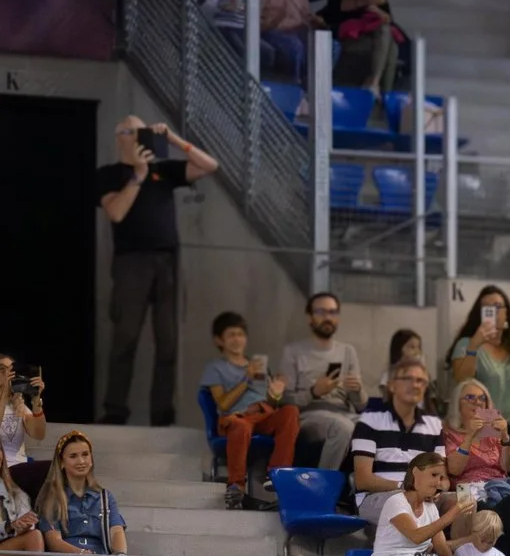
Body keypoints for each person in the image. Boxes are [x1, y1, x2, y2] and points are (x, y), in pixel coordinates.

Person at [96, 115, 219, 427]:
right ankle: (115, 410)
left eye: (143, 132)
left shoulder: (163, 170)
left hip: (167, 260)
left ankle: (162, 413)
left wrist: (174, 139)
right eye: (133, 132)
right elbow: (116, 212)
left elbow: (209, 166)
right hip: (131, 261)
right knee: (125, 336)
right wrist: (138, 175)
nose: (139, 137)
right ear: (120, 136)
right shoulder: (109, 175)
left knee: (168, 340)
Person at [38, 433, 158, 556]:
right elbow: (54, 542)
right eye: (73, 456)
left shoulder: (104, 496)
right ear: (61, 462)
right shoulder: (52, 497)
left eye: (85, 454)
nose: (81, 460)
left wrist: (119, 554)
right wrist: (86, 554)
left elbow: (116, 530)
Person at [199, 311, 297, 511]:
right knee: (241, 425)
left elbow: (271, 402)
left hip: (263, 415)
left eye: (240, 334)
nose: (237, 339)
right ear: (220, 340)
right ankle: (236, 486)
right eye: (231, 335)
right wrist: (246, 379)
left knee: (290, 412)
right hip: (236, 417)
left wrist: (276, 392)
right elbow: (223, 404)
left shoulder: (258, 365)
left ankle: (277, 474)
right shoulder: (215, 368)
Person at [350, 358, 445, 526]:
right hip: (376, 497)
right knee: (408, 501)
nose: (415, 385)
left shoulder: (435, 425)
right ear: (392, 385)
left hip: (422, 495)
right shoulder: (370, 421)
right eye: (408, 379)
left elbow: (441, 476)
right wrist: (406, 486)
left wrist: (436, 488)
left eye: (421, 381)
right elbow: (362, 480)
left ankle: (452, 551)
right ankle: (432, 550)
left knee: (464, 504)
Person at [280, 292, 363, 474]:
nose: (328, 317)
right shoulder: (293, 352)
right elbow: (285, 400)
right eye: (321, 312)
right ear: (310, 317)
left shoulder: (348, 351)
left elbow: (359, 404)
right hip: (310, 414)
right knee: (342, 428)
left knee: (376, 425)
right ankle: (321, 487)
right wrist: (314, 392)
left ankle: (366, 491)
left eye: (333, 312)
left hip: (345, 412)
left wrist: (357, 391)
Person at [446, 286, 510, 421]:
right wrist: (474, 345)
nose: (494, 312)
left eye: (498, 306)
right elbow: (462, 382)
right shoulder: (466, 344)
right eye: (487, 308)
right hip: (484, 425)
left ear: (507, 313)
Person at [444, 379, 510, 509]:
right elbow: (454, 470)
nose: (477, 402)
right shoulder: (449, 432)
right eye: (470, 397)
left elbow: (509, 467)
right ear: (458, 404)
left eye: (482, 398)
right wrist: (469, 436)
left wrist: (505, 436)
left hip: (499, 488)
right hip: (468, 491)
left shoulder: (494, 433)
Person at [2, 451, 67, 556]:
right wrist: (9, 527)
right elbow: (10, 527)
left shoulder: (12, 486)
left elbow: (25, 518)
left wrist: (24, 526)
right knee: (33, 537)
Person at [1, 349, 51, 500]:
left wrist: (36, 401)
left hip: (20, 468)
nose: (9, 375)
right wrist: (3, 395)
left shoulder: (18, 406)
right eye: (3, 370)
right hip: (4, 469)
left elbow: (39, 434)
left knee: (59, 468)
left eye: (12, 370)